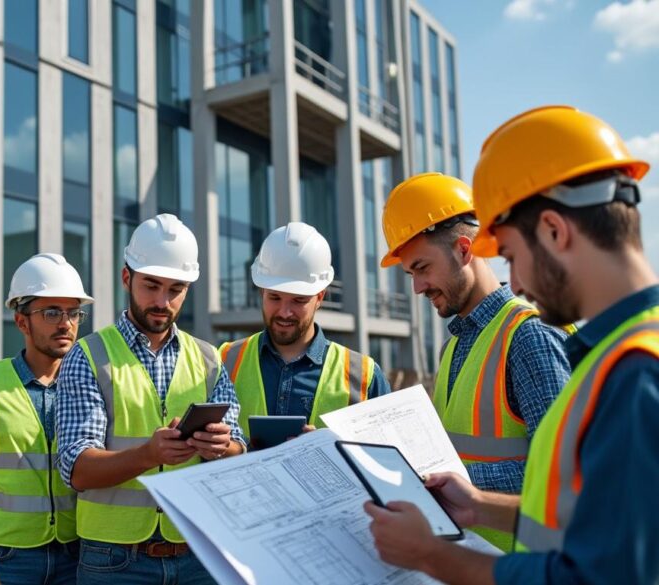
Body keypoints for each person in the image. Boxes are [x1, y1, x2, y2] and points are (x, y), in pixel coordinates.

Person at [365, 105, 659, 584]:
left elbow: (600, 574)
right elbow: (584, 515)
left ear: (554, 230)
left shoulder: (635, 371)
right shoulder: (616, 354)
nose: (515, 283)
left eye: (510, 257)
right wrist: (480, 506)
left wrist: (431, 556)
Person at [379, 173, 571, 549]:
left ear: (465, 250)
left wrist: (456, 478)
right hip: (469, 559)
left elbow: (563, 474)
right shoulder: (453, 347)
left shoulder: (529, 337)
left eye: (422, 268)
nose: (417, 287)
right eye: (410, 275)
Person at [55, 213, 246, 585]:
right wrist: (149, 455)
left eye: (175, 289)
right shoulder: (88, 355)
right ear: (127, 278)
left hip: (198, 552)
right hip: (113, 560)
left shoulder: (208, 358)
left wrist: (223, 447)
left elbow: (238, 446)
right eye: (151, 286)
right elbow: (76, 470)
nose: (162, 301)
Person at [0, 253, 93, 585]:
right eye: (51, 312)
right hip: (2, 558)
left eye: (73, 313)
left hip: (76, 553)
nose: (65, 323)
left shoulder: (92, 386)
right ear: (22, 321)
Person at [220, 223, 391, 443]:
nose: (284, 312)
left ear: (320, 297)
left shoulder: (364, 376)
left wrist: (332, 448)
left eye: (299, 300)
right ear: (261, 291)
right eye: (274, 297)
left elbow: (388, 459)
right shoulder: (226, 360)